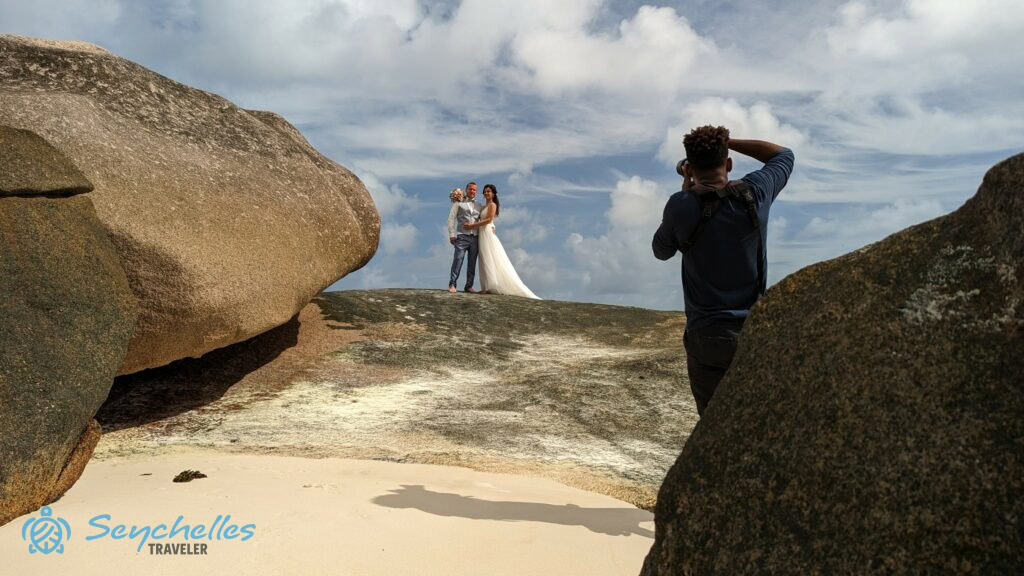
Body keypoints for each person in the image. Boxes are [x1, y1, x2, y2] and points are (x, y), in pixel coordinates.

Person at [653, 125, 794, 416]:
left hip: (705, 335)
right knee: (754, 420)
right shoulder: (755, 192)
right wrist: (728, 142)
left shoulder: (681, 205)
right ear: (728, 163)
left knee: (711, 424)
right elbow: (783, 155)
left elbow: (661, 250)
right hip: (751, 332)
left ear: (689, 168)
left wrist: (686, 194)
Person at [463, 184, 540, 299]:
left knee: (490, 256)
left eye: (488, 191)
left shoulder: (493, 205)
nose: (486, 193)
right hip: (482, 234)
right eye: (485, 191)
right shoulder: (483, 206)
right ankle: (487, 286)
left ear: (493, 194)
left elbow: (489, 220)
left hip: (487, 233)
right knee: (484, 258)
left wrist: (472, 225)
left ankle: (491, 286)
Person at [448, 182, 483, 293]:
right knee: (458, 259)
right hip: (462, 236)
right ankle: (452, 284)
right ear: (466, 190)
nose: (472, 191)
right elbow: (451, 218)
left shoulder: (479, 204)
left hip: (475, 237)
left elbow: (484, 218)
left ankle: (468, 286)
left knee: (472, 263)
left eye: (474, 190)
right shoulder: (458, 202)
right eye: (470, 189)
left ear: (476, 192)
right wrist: (452, 234)